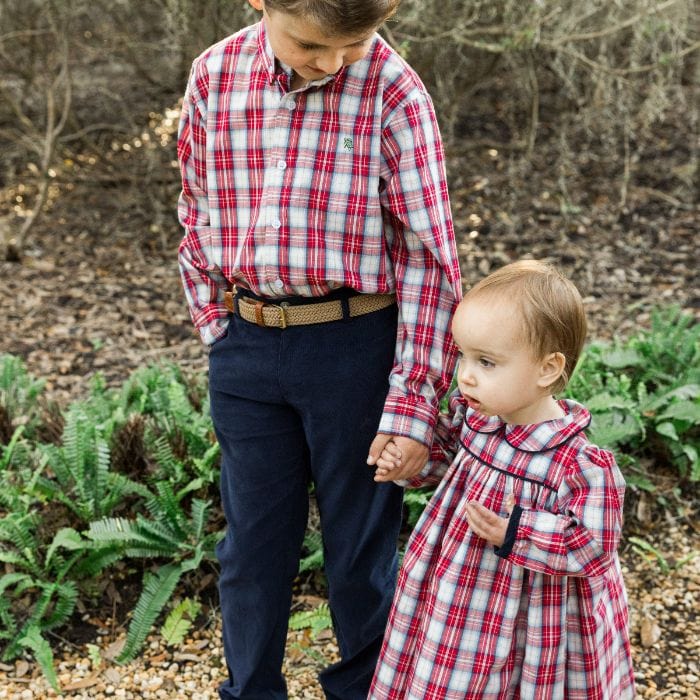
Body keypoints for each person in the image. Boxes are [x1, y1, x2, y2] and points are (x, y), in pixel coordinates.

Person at [176, 0, 462, 697]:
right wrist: (216, 322)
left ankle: (366, 691)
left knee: (358, 555)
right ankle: (250, 690)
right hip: (247, 347)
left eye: (354, 44)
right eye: (311, 44)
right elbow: (197, 206)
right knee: (250, 549)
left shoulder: (395, 90)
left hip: (355, 350)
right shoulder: (215, 74)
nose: (333, 62)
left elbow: (428, 258)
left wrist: (413, 404)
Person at [369, 260, 635, 699]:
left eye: (487, 362)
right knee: (448, 674)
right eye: (463, 356)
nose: (466, 374)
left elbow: (594, 546)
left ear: (548, 369)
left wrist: (518, 529)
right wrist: (414, 461)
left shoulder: (579, 464)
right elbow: (448, 463)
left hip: (534, 612)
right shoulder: (476, 421)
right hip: (458, 596)